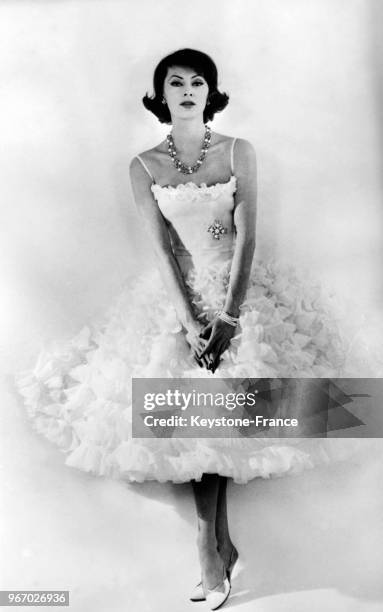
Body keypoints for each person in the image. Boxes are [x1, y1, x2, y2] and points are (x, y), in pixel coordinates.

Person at [15, 48, 361, 610]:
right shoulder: (144, 165)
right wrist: (188, 318)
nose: (186, 90)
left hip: (240, 294)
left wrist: (229, 315)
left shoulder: (238, 152)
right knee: (188, 406)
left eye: (197, 82)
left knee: (229, 405)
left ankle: (212, 547)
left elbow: (247, 235)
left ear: (211, 93)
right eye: (174, 82)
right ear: (160, 95)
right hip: (177, 300)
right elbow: (162, 250)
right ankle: (214, 545)